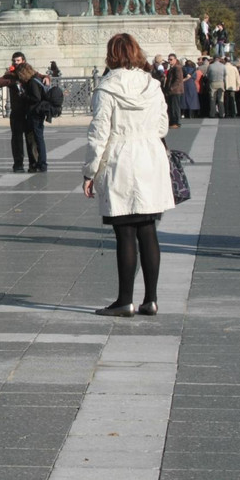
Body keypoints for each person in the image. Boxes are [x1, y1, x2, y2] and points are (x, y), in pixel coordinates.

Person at [83, 33, 174, 316]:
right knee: (148, 229)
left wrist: (90, 171)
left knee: (125, 233)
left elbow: (100, 132)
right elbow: (162, 126)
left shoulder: (107, 87)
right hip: (150, 157)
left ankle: (124, 300)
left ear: (111, 55)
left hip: (121, 159)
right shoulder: (153, 84)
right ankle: (151, 298)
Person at [0, 51, 33, 172]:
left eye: (18, 61)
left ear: (23, 61)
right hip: (16, 111)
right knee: (16, 139)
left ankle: (33, 163)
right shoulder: (11, 74)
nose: (16, 63)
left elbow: (41, 76)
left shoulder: (29, 72)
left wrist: (47, 78)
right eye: (14, 61)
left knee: (31, 138)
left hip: (29, 110)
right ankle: (18, 164)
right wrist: (12, 80)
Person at [16, 62, 48, 172]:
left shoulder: (32, 82)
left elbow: (36, 98)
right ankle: (38, 162)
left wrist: (24, 95)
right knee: (36, 139)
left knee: (38, 139)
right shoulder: (35, 79)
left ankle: (42, 163)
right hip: (36, 113)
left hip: (35, 114)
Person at [165, 53, 184, 128]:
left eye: (171, 59)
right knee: (171, 107)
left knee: (175, 107)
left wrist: (171, 88)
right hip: (171, 91)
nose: (169, 61)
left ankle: (176, 122)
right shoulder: (172, 68)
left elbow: (178, 79)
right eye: (168, 59)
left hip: (176, 91)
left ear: (175, 60)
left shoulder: (177, 67)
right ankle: (172, 121)